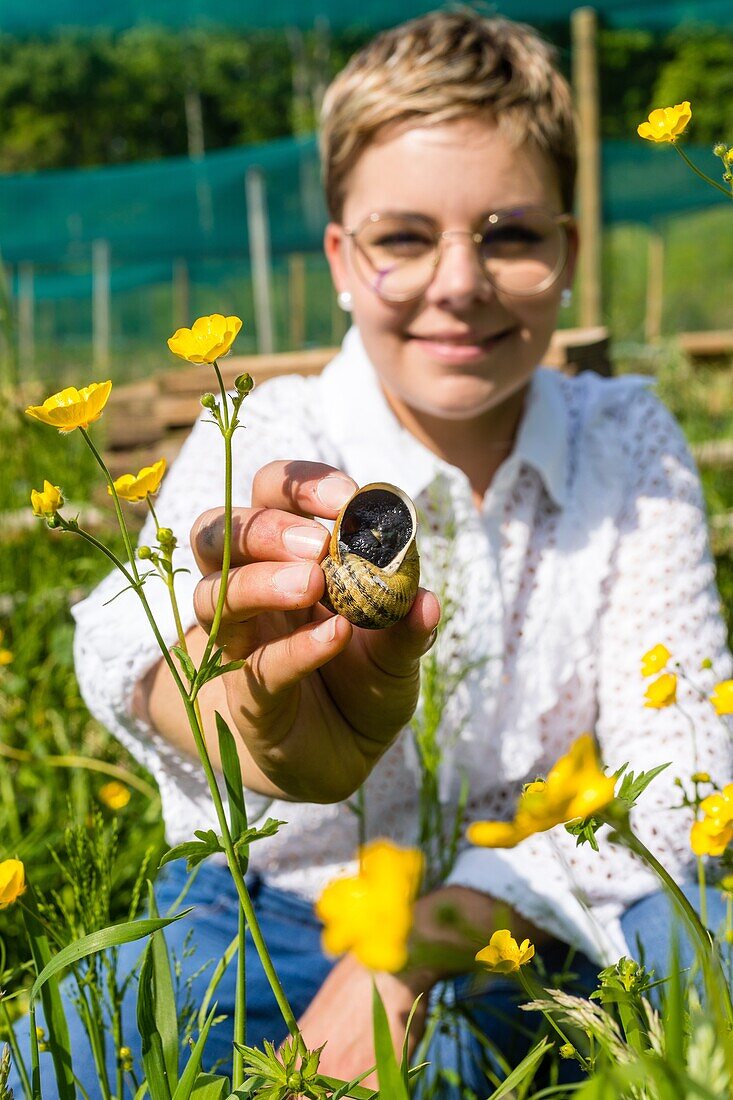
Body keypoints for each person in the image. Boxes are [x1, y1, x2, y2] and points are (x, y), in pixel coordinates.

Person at [10, 8, 732, 1098]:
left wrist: (420, 933)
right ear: (342, 258)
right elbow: (126, 635)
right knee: (61, 1051)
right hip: (272, 911)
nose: (459, 281)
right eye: (403, 237)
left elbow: (683, 774)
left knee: (699, 944)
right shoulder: (266, 432)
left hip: (548, 909)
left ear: (569, 252)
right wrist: (239, 723)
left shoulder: (626, 444)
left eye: (511, 233)